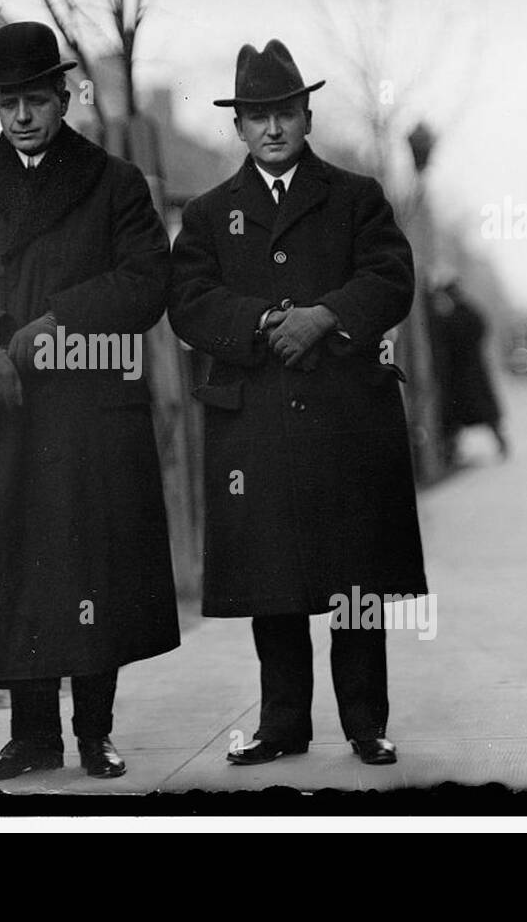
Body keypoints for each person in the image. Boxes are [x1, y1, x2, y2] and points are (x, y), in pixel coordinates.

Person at [0, 22, 180, 782]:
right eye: (9, 101)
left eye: (36, 98)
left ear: (65, 98)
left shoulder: (114, 184)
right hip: (3, 415)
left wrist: (54, 327)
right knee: (17, 569)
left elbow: (146, 280)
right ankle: (32, 737)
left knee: (89, 567)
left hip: (88, 409)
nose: (23, 115)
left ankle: (94, 731)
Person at [169, 39, 427, 767]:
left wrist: (326, 315)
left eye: (284, 113)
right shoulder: (212, 214)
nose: (272, 129)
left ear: (307, 115)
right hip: (254, 422)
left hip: (346, 420)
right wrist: (258, 324)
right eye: (257, 116)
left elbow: (390, 276)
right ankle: (282, 724)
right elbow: (188, 301)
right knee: (272, 579)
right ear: (238, 127)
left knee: (356, 580)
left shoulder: (356, 196)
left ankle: (366, 722)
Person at [429, 279, 508, 462]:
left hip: (462, 373)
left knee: (458, 414)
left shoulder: (455, 316)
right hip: (468, 372)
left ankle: (451, 450)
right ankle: (453, 449)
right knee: (474, 414)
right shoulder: (467, 313)